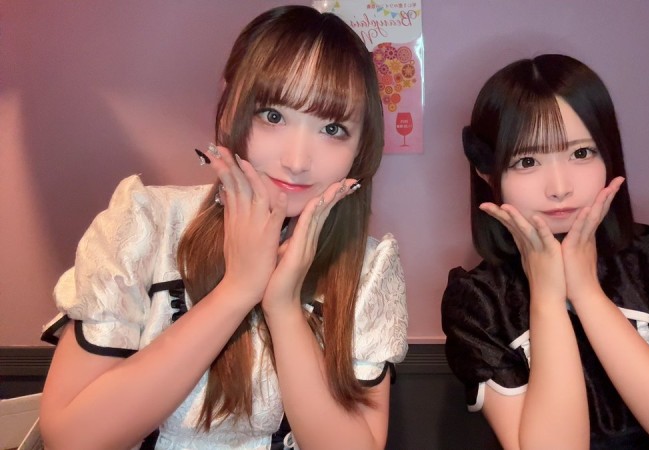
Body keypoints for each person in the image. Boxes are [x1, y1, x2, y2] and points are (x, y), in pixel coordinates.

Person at [39, 5, 407, 450]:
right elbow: (71, 438)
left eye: (332, 128)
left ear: (361, 146)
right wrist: (237, 290)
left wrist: (284, 307)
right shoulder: (146, 224)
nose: (297, 161)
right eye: (273, 116)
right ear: (231, 108)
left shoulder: (367, 269)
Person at [441, 54, 649, 449]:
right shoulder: (480, 302)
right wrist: (547, 299)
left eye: (581, 153)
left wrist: (587, 292)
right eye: (527, 160)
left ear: (609, 152)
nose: (559, 187)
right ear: (487, 172)